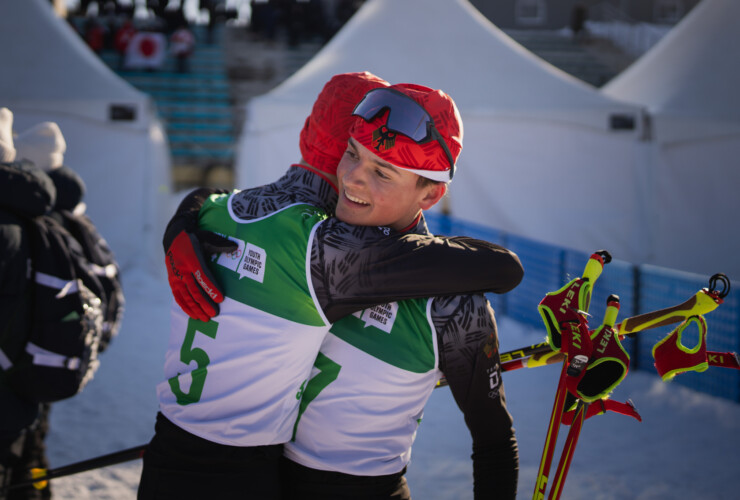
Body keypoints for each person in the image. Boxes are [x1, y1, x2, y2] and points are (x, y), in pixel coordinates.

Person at [139, 73, 523, 499]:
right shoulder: (317, 244)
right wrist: (183, 220)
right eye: (351, 154)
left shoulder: (454, 303)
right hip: (257, 478)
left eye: (382, 171)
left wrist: (187, 214)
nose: (353, 178)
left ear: (430, 195)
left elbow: (493, 443)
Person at [0, 113, 123, 500]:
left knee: (24, 454)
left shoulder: (26, 220)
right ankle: (39, 490)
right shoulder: (67, 217)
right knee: (30, 451)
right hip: (39, 358)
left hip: (21, 367)